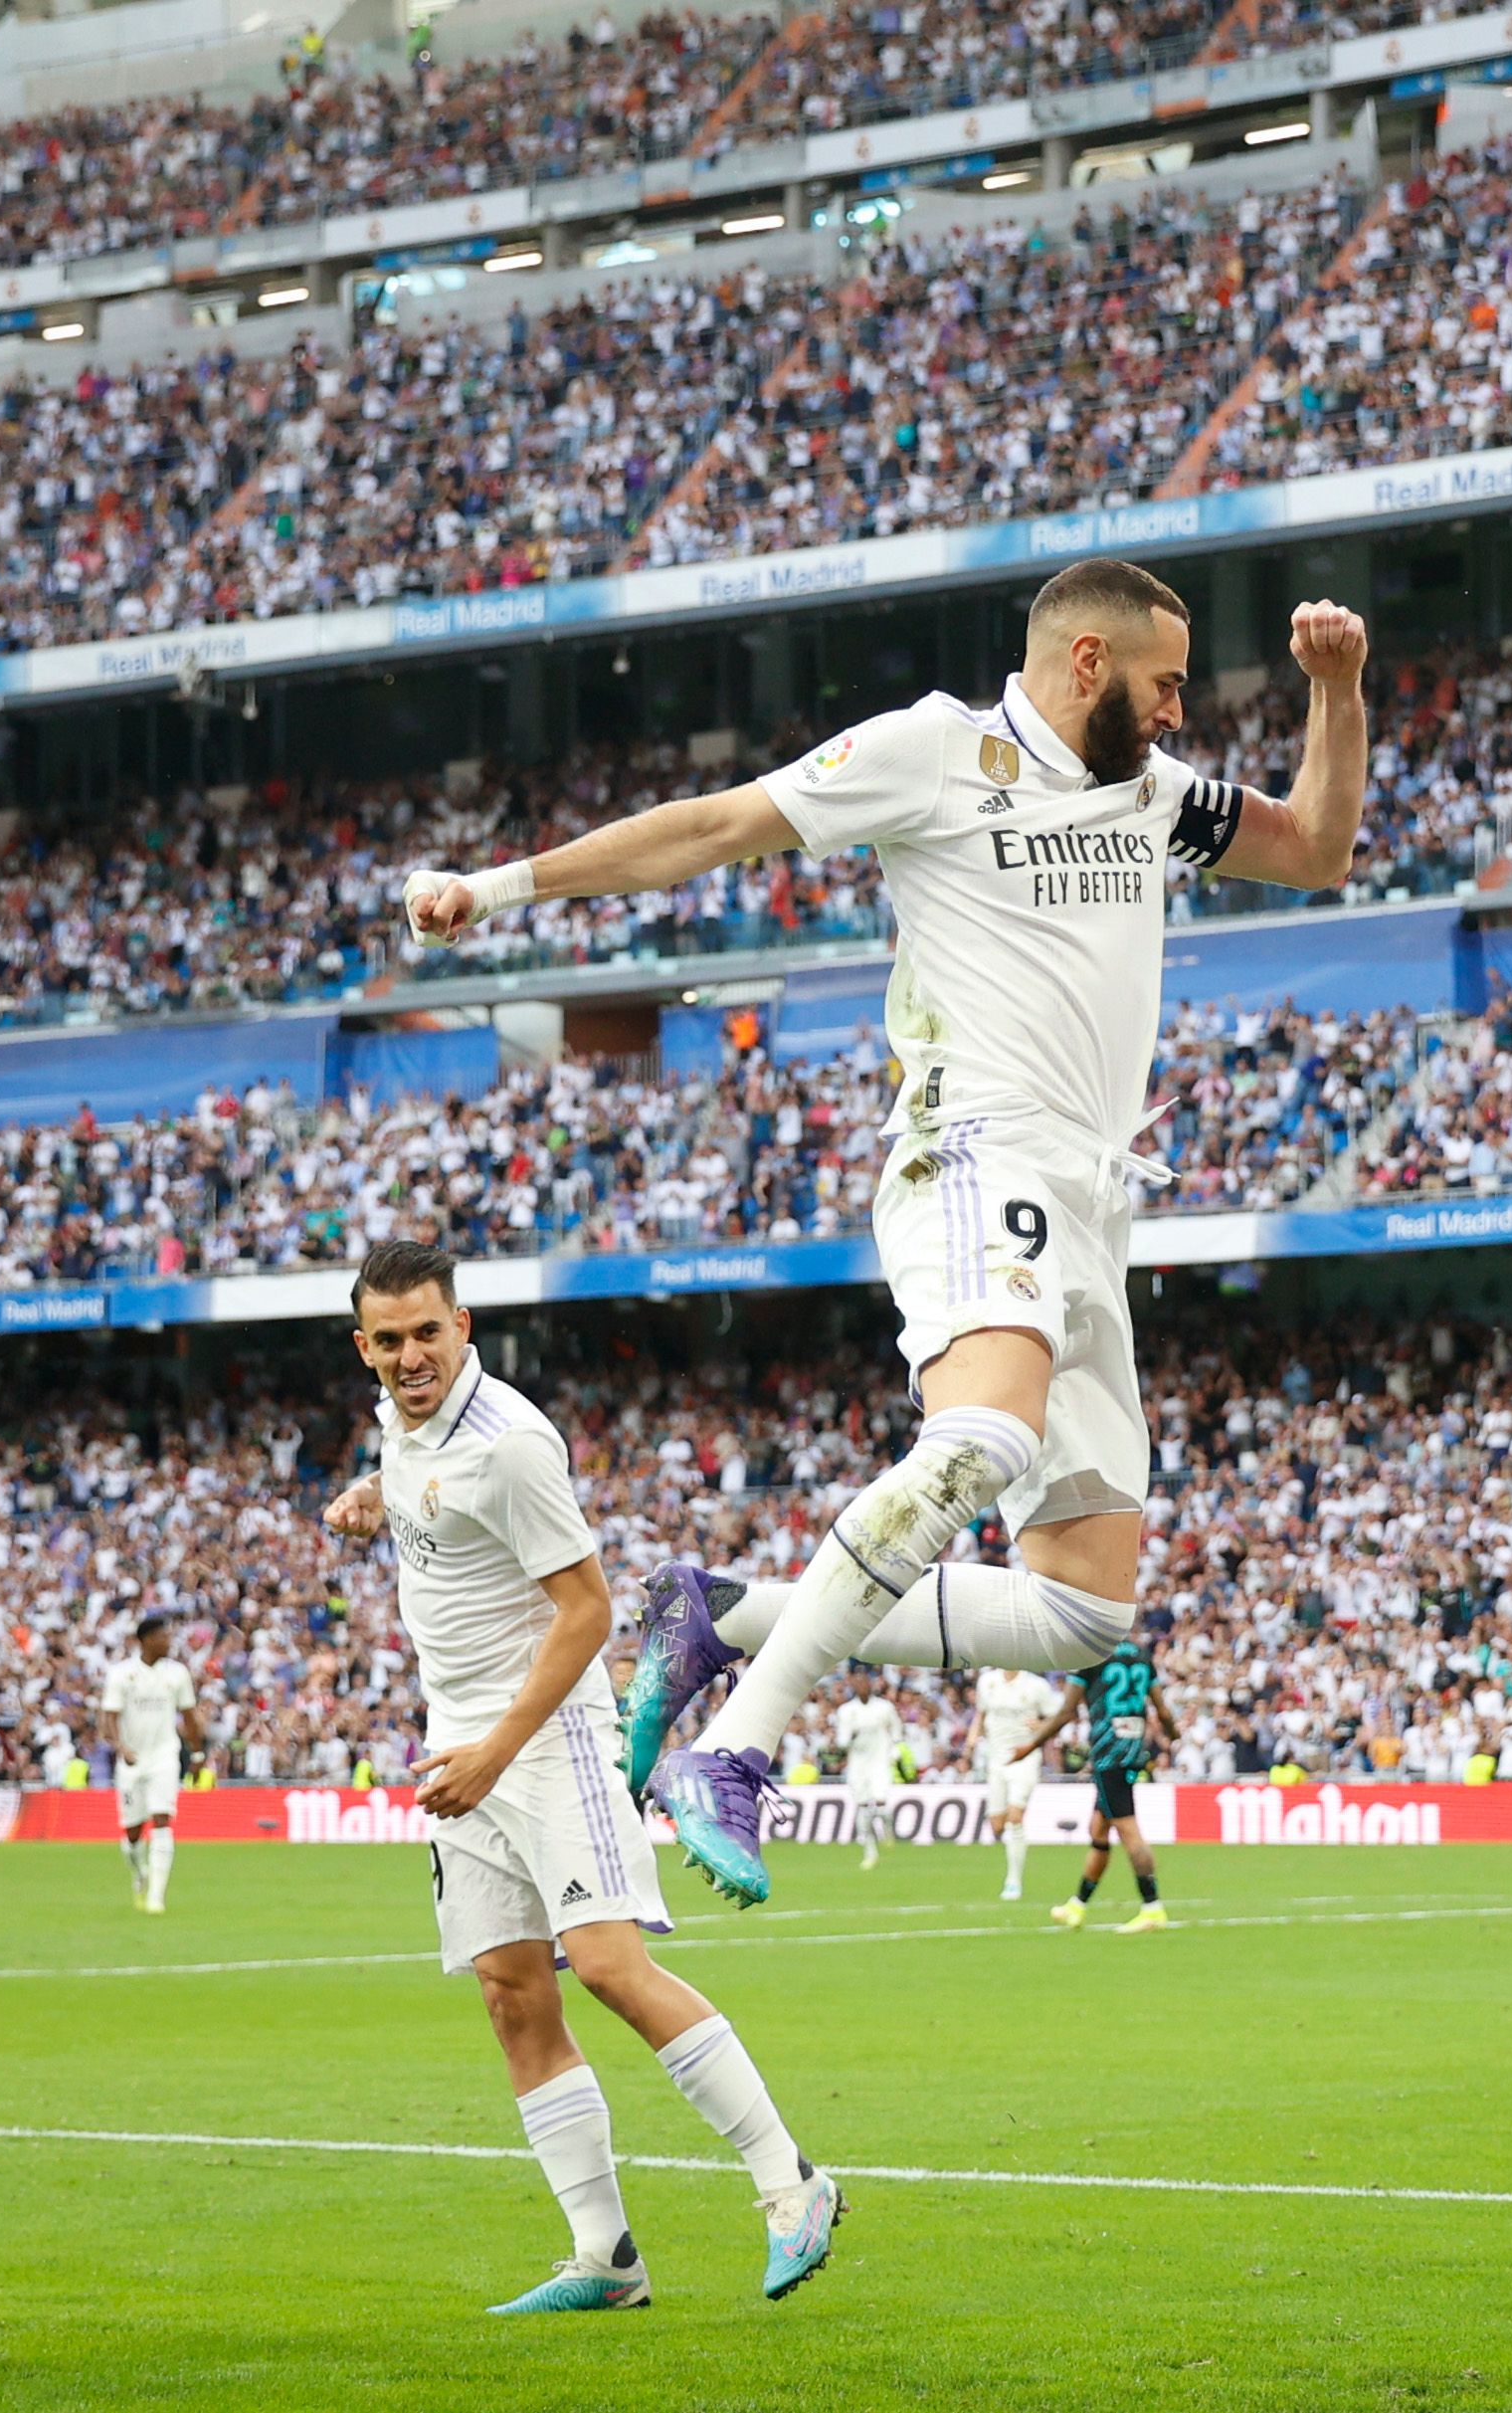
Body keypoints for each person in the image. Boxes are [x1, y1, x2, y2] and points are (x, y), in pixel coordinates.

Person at [409, 559, 1370, 1909]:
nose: (1176, 713)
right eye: (1162, 683)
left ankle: (720, 1612)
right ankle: (734, 1752)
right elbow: (714, 826)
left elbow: (1319, 849)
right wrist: (501, 888)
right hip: (973, 1146)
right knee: (983, 1435)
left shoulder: (1157, 799)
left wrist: (1340, 694)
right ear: (1085, 663)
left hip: (1094, 1201)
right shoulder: (934, 750)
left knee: (1079, 1612)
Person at [321, 1242, 843, 2312]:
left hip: (541, 1737)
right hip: (457, 1741)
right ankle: (605, 2258)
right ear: (363, 1347)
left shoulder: (510, 1440)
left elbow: (589, 1611)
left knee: (605, 1966)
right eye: (390, 1339)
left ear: (462, 1325)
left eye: (429, 1331)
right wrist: (375, 1494)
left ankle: (792, 2183)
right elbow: (434, 1491)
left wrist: (495, 1753)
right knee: (514, 1997)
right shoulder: (403, 1420)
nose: (411, 1354)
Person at [1023, 1638, 1178, 1931]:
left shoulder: (1089, 1654)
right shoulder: (1141, 1654)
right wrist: (1174, 1733)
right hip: (1133, 1749)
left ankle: (1152, 1907)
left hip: (1109, 1755)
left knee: (1129, 1832)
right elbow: (1163, 1711)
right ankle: (1077, 1906)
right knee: (1099, 1829)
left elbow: (1067, 1711)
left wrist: (1031, 1745)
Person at [99, 1614, 204, 1915]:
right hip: (132, 1760)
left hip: (164, 1756)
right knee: (133, 1831)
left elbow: (189, 1716)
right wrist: (121, 1747)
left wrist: (196, 1755)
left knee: (162, 1819)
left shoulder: (177, 1673)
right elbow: (109, 1717)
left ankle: (157, 1895)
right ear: (145, 1640)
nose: (168, 1641)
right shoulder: (122, 1673)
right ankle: (140, 1872)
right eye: (163, 1636)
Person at [975, 1664, 1062, 1900]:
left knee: (1015, 1817)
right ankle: (1012, 1865)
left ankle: (1013, 1881)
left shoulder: (1036, 1686)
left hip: (1024, 1757)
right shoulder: (987, 1682)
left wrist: (1042, 1726)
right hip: (996, 1759)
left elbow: (1060, 1716)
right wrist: (972, 1738)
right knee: (997, 1824)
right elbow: (981, 1714)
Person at [831, 1673, 906, 1871]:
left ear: (871, 1685)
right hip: (858, 1765)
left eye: (865, 1683)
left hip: (880, 1762)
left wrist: (896, 1747)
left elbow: (896, 1728)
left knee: (882, 1807)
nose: (862, 1686)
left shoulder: (884, 1707)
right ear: (853, 1687)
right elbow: (841, 1742)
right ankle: (870, 1853)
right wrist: (850, 1736)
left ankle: (888, 1829)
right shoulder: (846, 1711)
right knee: (863, 1809)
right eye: (858, 1684)